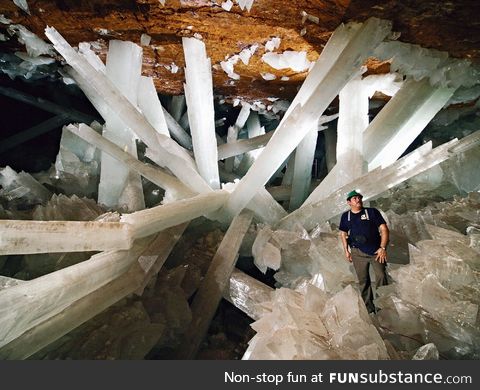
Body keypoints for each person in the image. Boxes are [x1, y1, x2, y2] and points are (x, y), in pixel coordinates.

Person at [339, 190, 389, 313]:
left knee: (381, 276)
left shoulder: (371, 212)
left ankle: (383, 308)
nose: (358, 200)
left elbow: (384, 229)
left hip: (376, 251)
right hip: (357, 252)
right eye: (354, 198)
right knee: (363, 280)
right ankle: (369, 309)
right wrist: (346, 250)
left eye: (359, 198)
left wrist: (382, 248)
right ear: (349, 202)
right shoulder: (346, 216)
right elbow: (343, 233)